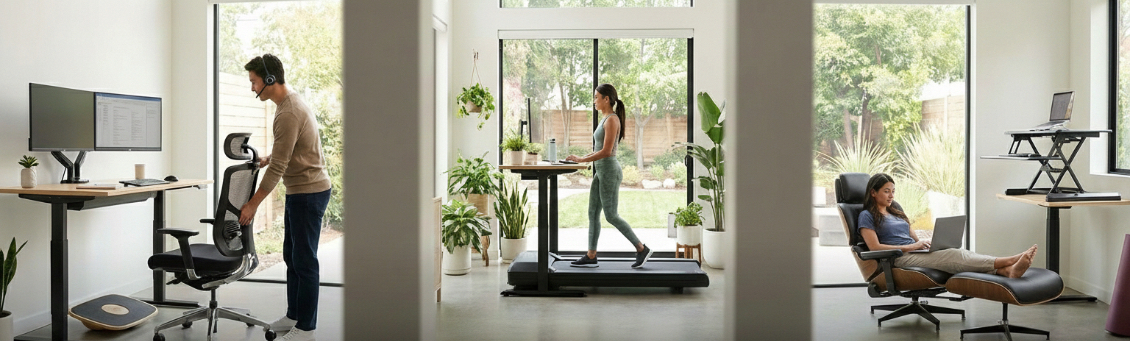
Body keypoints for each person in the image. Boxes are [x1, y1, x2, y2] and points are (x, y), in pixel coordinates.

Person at [238, 54, 332, 341]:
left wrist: (252, 204)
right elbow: (286, 153)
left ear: (269, 80)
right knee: (292, 256)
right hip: (302, 191)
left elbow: (280, 167)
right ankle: (294, 315)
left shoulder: (288, 112)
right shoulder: (287, 105)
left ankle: (306, 328)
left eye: (254, 82)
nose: (252, 88)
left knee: (304, 261)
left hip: (309, 192)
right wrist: (268, 158)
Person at [860, 173, 1036, 278]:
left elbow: (912, 236)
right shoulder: (866, 216)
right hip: (898, 258)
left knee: (958, 255)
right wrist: (912, 246)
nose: (891, 196)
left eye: (893, 191)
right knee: (955, 256)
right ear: (873, 193)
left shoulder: (896, 210)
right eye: (886, 191)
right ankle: (1011, 259)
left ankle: (1007, 272)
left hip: (914, 251)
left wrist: (927, 243)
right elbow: (874, 247)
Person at [567, 83, 653, 269]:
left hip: (609, 172)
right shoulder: (605, 119)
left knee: (611, 215)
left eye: (596, 97)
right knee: (592, 213)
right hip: (601, 172)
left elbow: (607, 151)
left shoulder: (612, 120)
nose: (594, 101)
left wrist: (583, 159)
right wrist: (581, 160)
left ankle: (641, 248)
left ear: (606, 99)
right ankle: (591, 255)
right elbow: (598, 149)